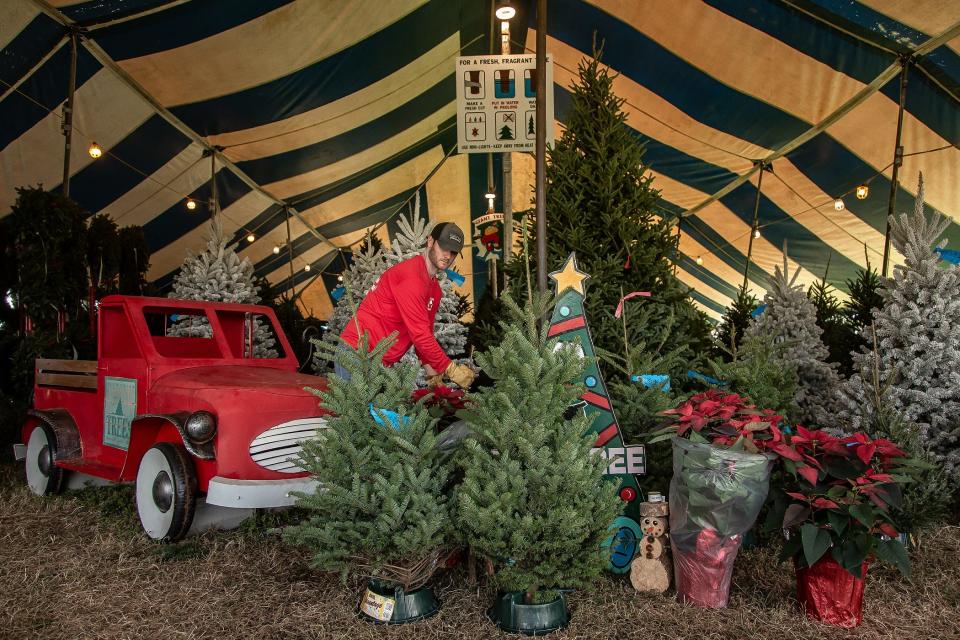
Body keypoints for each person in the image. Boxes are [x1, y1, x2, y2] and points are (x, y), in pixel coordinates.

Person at [338, 221, 477, 388]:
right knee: (356, 412)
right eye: (444, 247)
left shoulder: (434, 291)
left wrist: (434, 380)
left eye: (453, 252)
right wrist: (451, 369)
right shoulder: (411, 277)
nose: (448, 255)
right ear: (430, 241)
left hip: (379, 364)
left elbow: (425, 337)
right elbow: (420, 335)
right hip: (357, 354)